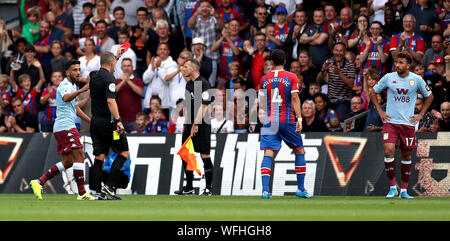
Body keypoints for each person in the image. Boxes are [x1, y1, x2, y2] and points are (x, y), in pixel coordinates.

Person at [367, 51, 434, 199]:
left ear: (409, 65)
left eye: (401, 63)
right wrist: (380, 111)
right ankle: (392, 188)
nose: (397, 65)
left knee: (406, 155)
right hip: (391, 122)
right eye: (396, 62)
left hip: (407, 124)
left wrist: (421, 114)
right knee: (389, 150)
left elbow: (430, 96)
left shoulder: (416, 80)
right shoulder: (389, 78)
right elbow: (373, 92)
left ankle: (403, 190)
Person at [29, 60, 95, 201]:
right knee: (80, 156)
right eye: (75, 70)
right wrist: (82, 90)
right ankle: (82, 193)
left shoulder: (72, 85)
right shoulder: (65, 85)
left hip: (63, 127)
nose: (78, 72)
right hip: (65, 127)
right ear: (67, 73)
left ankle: (39, 181)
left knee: (68, 162)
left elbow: (75, 108)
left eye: (79, 69)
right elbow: (66, 98)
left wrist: (91, 121)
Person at [258, 49, 311, 200]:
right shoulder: (291, 76)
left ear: (272, 62)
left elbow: (262, 103)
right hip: (286, 120)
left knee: (268, 153)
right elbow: (295, 98)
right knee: (299, 150)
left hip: (269, 121)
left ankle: (265, 191)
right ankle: (301, 189)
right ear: (285, 61)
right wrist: (299, 119)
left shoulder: (264, 79)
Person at [89, 51, 130, 200]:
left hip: (95, 122)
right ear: (112, 63)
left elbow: (107, 64)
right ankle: (110, 185)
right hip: (109, 123)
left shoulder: (93, 75)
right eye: (115, 63)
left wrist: (116, 57)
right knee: (124, 153)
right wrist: (118, 121)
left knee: (99, 156)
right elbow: (111, 101)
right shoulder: (110, 78)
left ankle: (98, 192)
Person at [175, 58, 213, 196]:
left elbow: (203, 106)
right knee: (186, 154)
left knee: (204, 155)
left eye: (185, 67)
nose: (183, 69)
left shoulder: (204, 84)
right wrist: (186, 125)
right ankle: (189, 187)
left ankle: (208, 189)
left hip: (202, 124)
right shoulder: (189, 85)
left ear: (193, 68)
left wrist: (195, 124)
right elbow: (188, 106)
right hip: (190, 124)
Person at [115, 58, 144, 133]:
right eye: (124, 66)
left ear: (132, 67)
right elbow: (113, 92)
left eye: (129, 66)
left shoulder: (138, 80)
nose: (127, 68)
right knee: (119, 141)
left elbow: (140, 92)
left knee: (136, 141)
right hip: (119, 119)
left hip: (135, 120)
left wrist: (127, 80)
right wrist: (123, 81)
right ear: (121, 68)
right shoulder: (117, 81)